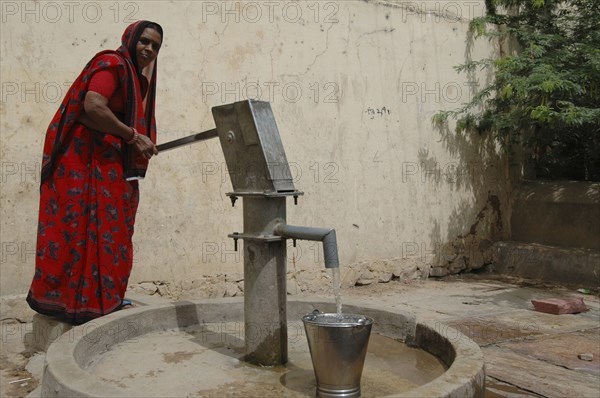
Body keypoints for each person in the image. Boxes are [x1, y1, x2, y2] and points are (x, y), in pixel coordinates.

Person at [26, 20, 163, 324]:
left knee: (110, 229)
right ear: (130, 39)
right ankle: (68, 302)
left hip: (105, 163)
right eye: (144, 41)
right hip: (82, 163)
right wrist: (131, 136)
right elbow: (93, 105)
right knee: (77, 228)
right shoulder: (112, 64)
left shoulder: (134, 77)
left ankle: (101, 300)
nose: (149, 49)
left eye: (155, 45)